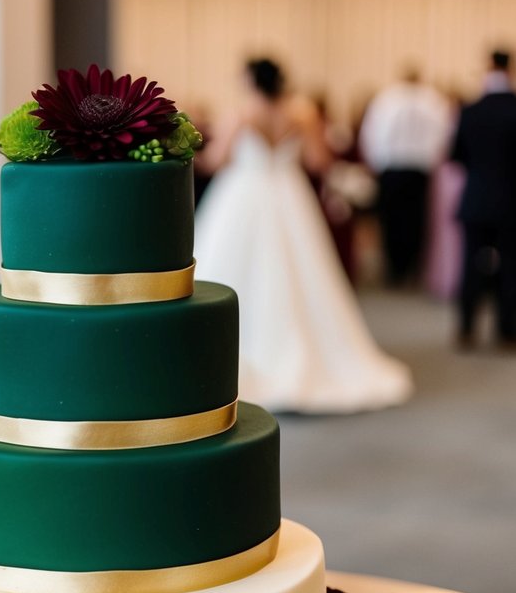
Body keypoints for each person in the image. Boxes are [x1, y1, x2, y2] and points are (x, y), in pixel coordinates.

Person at [194, 58, 412, 413]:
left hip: (244, 195)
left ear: (251, 80)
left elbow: (216, 161)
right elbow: (318, 162)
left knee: (228, 272)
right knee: (300, 275)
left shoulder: (241, 114)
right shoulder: (303, 114)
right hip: (289, 196)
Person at [358, 67, 453, 286]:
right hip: (419, 168)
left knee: (392, 218)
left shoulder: (386, 100)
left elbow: (371, 133)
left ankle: (395, 268)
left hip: (391, 167)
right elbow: (443, 136)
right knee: (415, 219)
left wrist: (374, 162)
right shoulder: (433, 101)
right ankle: (411, 267)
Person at [451, 49, 516, 349]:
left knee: (470, 265)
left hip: (476, 198)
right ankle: (507, 331)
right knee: (511, 268)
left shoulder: (470, 111)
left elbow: (456, 156)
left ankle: (466, 329)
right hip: (511, 202)